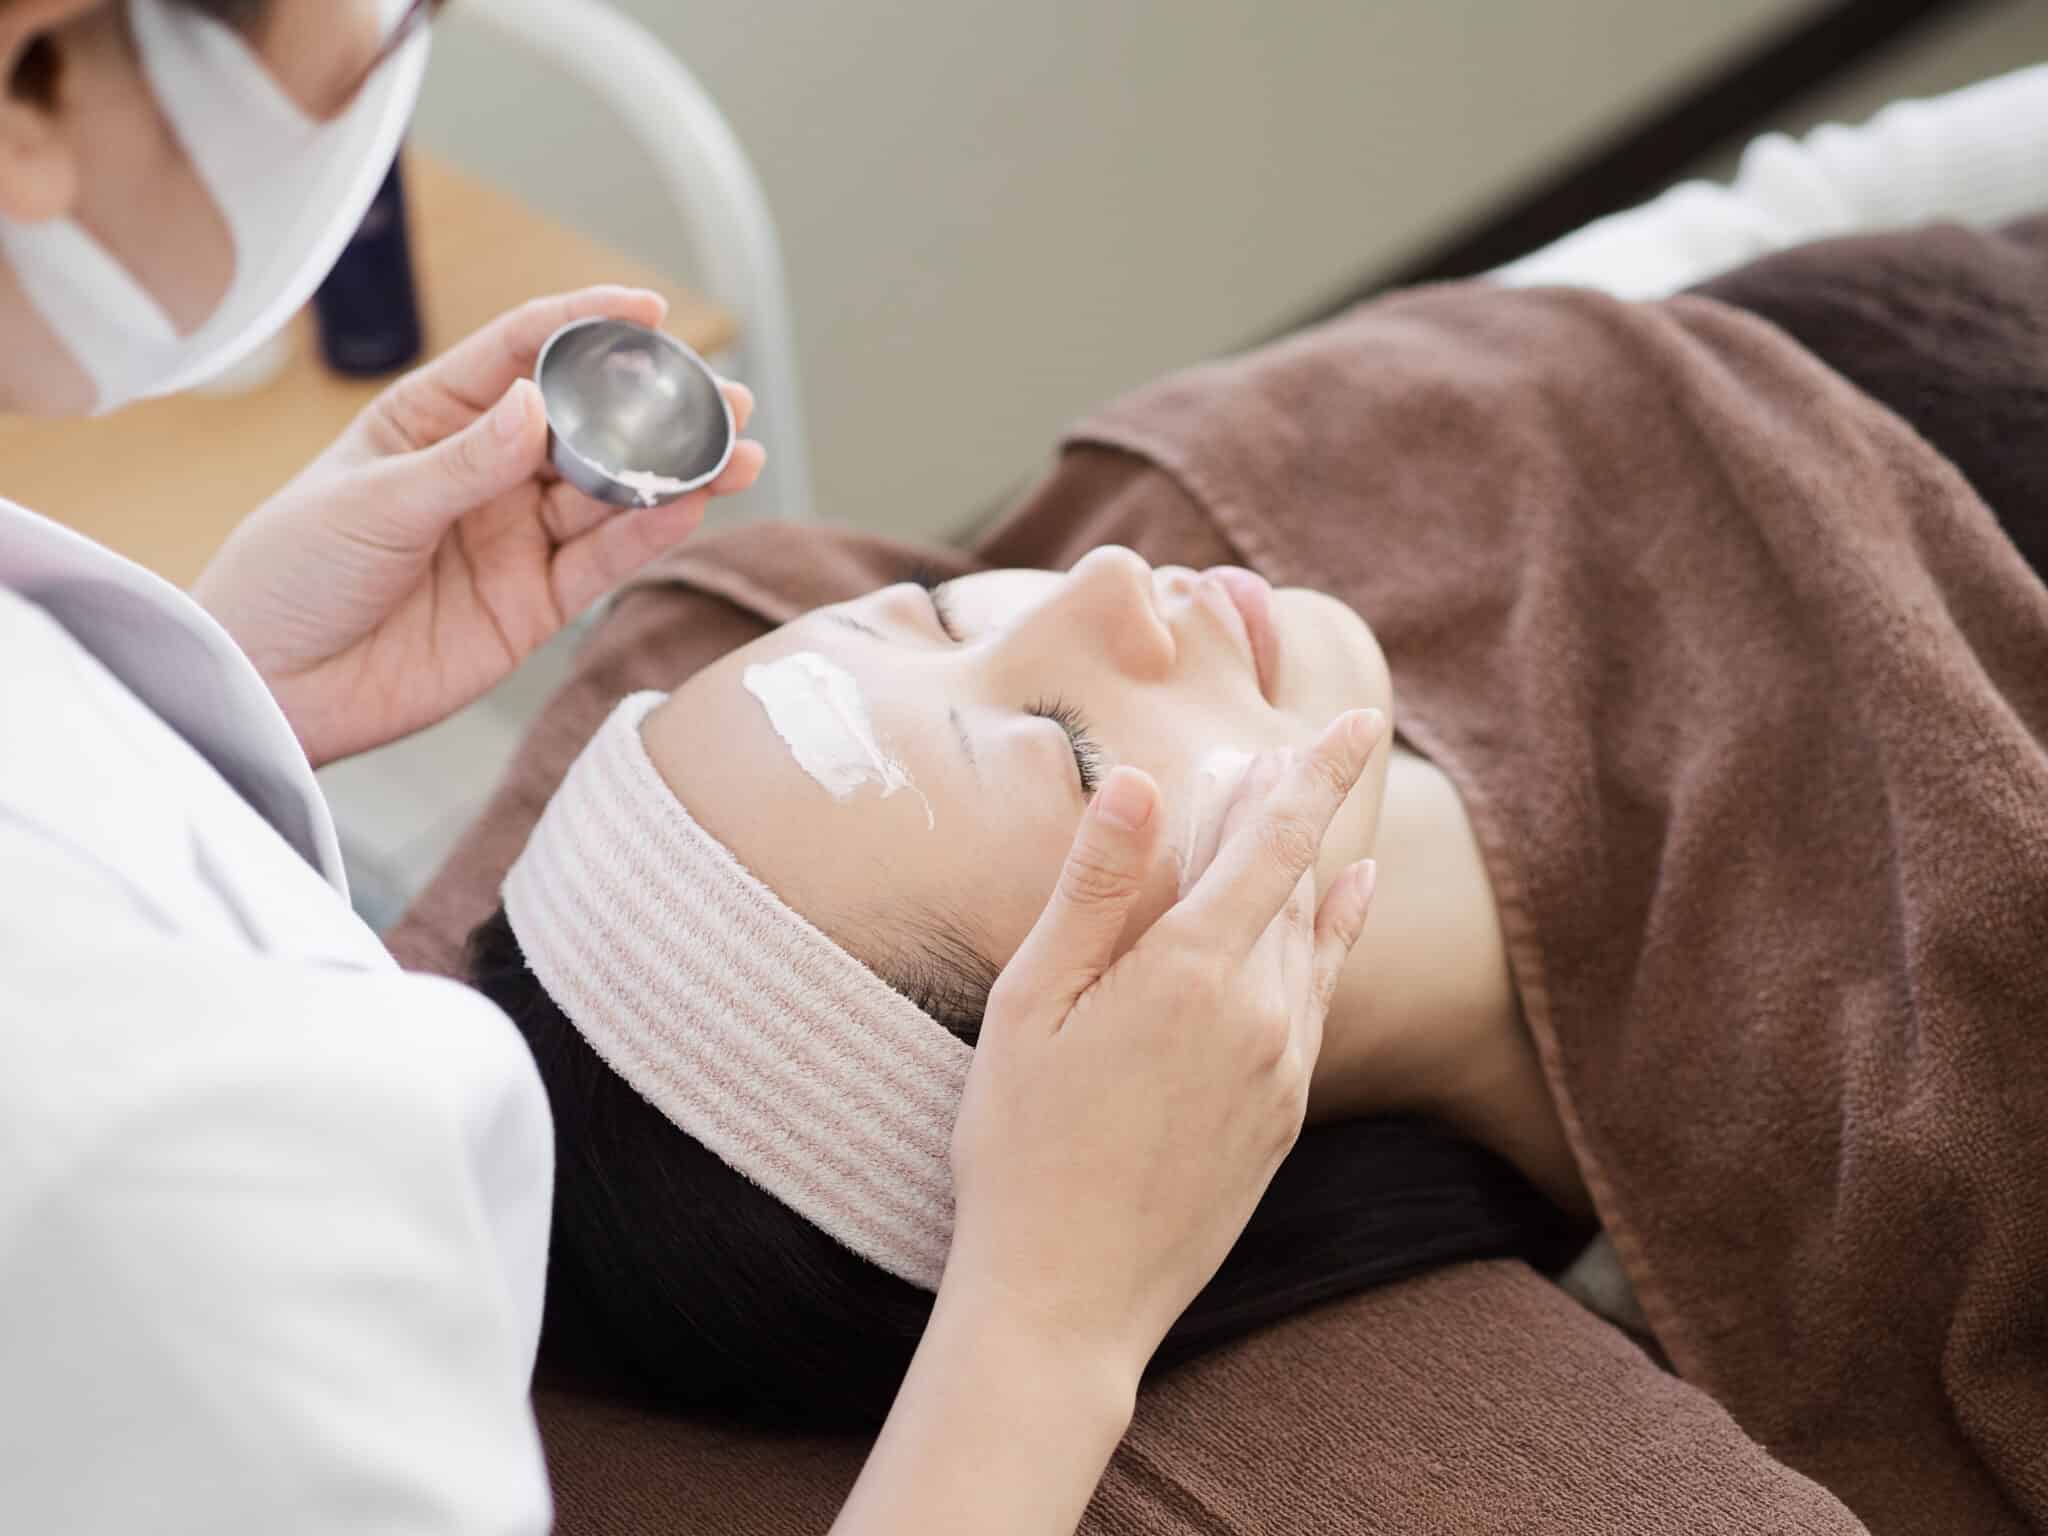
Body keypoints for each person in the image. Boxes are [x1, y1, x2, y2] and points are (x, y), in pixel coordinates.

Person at [0, 4, 1388, 1534]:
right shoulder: (154, 1164)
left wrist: (204, 691)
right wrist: (1047, 1330)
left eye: (924, 610)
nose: (1105, 575)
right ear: (34, 74)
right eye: (1059, 757)